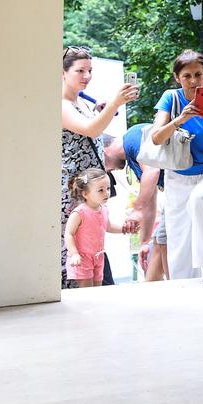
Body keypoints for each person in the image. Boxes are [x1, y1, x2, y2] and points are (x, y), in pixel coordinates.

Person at [61, 45, 137, 288]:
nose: (87, 76)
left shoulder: (81, 103)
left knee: (93, 242)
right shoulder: (61, 104)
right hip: (73, 190)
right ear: (63, 73)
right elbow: (90, 129)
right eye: (80, 70)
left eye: (90, 70)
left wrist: (98, 111)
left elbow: (91, 128)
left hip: (90, 189)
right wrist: (115, 104)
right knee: (77, 245)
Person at [148, 50, 203, 283]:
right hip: (178, 171)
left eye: (198, 75)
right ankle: (183, 282)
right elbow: (156, 138)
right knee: (178, 231)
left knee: (199, 200)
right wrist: (181, 118)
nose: (194, 81)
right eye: (187, 76)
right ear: (177, 77)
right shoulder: (170, 98)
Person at [64, 168, 138, 288]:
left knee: (98, 289)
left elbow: (108, 226)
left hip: (98, 256)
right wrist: (74, 254)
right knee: (87, 290)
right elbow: (69, 234)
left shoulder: (104, 209)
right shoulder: (79, 212)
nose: (107, 193)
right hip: (83, 257)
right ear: (85, 194)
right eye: (101, 190)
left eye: (108, 188)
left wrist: (124, 229)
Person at [120, 123, 166, 281]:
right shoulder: (134, 159)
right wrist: (144, 242)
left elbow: (153, 170)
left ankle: (153, 288)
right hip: (178, 191)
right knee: (160, 240)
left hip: (187, 186)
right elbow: (150, 198)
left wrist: (136, 209)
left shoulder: (131, 137)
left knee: (163, 238)